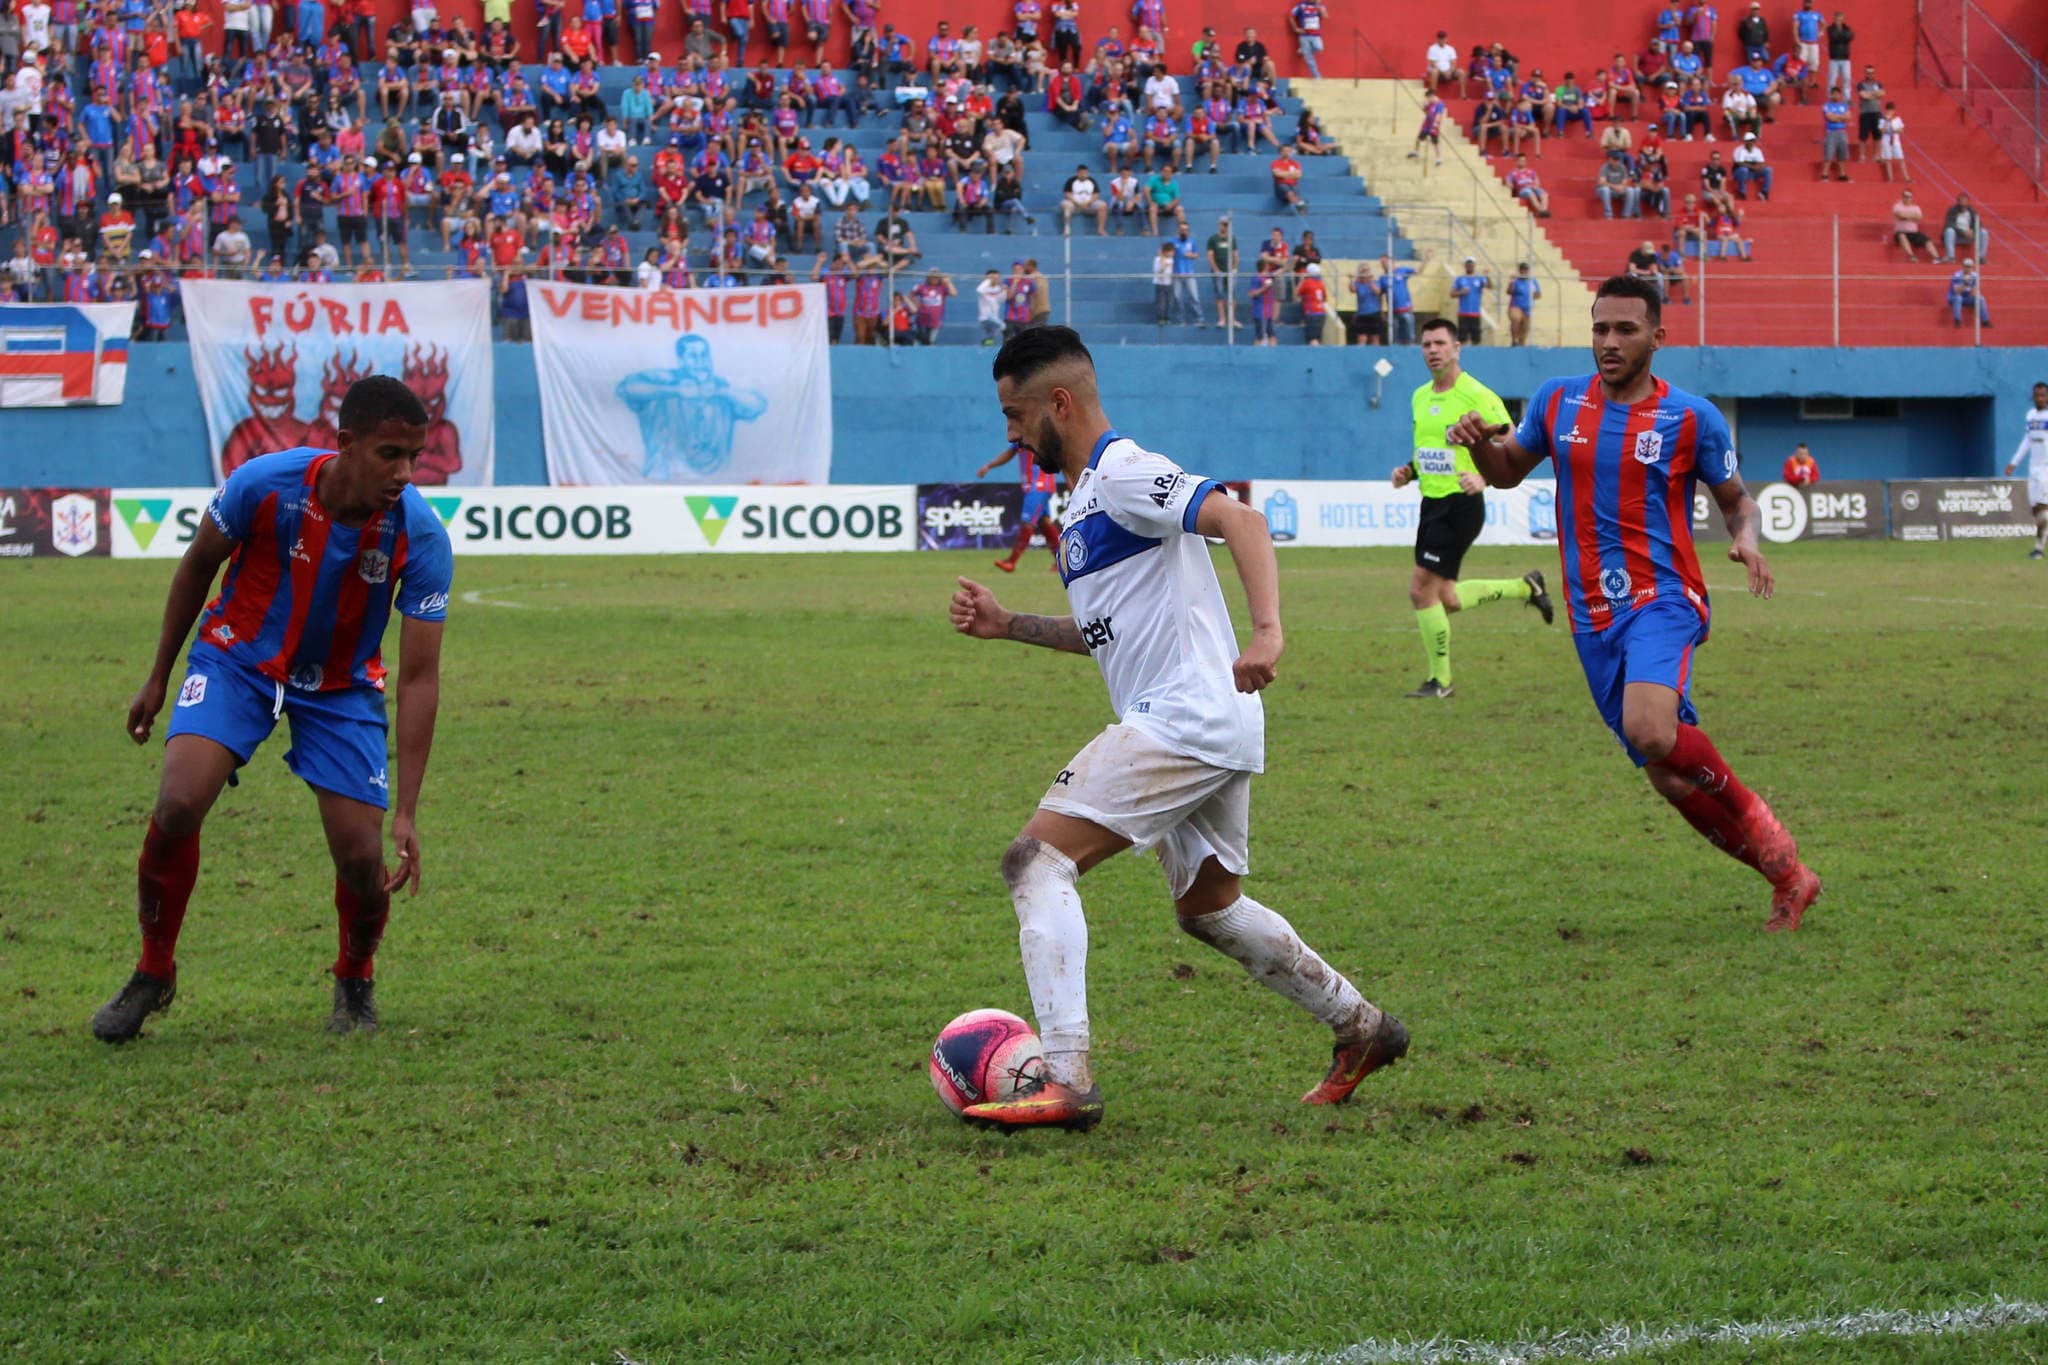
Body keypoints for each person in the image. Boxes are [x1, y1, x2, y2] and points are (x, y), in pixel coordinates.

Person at [945, 327, 1408, 1130]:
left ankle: (1067, 1074)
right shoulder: (1086, 499)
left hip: (1188, 712)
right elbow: (1104, 632)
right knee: (1210, 907)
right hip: (1202, 717)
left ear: (1060, 402)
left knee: (1035, 858)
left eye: (1017, 414)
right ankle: (1362, 1027)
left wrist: (1266, 632)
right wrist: (1007, 622)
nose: (1011, 433)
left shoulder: (1124, 469)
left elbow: (1242, 522)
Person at [1446, 275, 1822, 932]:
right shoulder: (1558, 401)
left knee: (1651, 730)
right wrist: (1479, 440)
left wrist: (1748, 541)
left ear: (1657, 335)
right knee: (1668, 775)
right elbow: (1506, 470)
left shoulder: (1691, 418)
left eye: (1625, 329)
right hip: (1591, 616)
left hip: (1664, 598)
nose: (1610, 342)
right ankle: (1788, 878)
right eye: (1600, 328)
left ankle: (1768, 829)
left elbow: (1737, 500)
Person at [91, 377, 454, 1043]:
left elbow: (421, 677)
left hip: (342, 688)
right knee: (176, 804)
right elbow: (197, 567)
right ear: (345, 445)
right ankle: (153, 970)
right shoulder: (261, 484)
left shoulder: (420, 535)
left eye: (415, 456)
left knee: (359, 857)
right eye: (389, 455)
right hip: (238, 661)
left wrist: (406, 809)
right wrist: (157, 677)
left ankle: (354, 976)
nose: (405, 472)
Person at [1393, 318, 1552, 700]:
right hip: (1432, 504)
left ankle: (1440, 682)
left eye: (1440, 343)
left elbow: (1514, 442)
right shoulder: (1420, 396)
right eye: (1427, 344)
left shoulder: (1476, 394)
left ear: (1457, 347)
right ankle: (1524, 587)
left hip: (1461, 505)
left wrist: (1486, 478)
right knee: (1445, 597)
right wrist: (1409, 471)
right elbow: (1435, 451)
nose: (1432, 350)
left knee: (1421, 591)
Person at [977, 436, 1062, 571]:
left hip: (1040, 485)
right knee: (1045, 522)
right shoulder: (1022, 434)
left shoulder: (1036, 430)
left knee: (1027, 522)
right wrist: (989, 466)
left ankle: (1012, 562)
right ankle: (1062, 562)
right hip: (1033, 486)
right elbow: (1010, 452)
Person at [2003, 381, 2048, 560]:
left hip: (2047, 470)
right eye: (2037, 395)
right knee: (2037, 513)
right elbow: (2027, 441)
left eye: (2043, 395)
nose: (2040, 398)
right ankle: (2038, 548)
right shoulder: (2030, 416)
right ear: (2033, 397)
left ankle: (2038, 549)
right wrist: (2014, 462)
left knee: (2045, 514)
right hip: (2033, 470)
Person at [1449, 259, 1487, 345]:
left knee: (1476, 339)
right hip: (1463, 313)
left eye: (1471, 264)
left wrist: (1487, 276)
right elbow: (1451, 294)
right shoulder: (1459, 279)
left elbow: (1489, 286)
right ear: (1465, 266)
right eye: (1468, 264)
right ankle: (1462, 356)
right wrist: (1461, 292)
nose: (1470, 266)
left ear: (1474, 266)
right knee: (1462, 338)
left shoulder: (1479, 278)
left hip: (1475, 313)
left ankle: (1475, 356)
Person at [1940, 193, 1986, 264]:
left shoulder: (1972, 211)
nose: (1963, 204)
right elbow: (1950, 224)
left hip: (1969, 234)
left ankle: (1981, 257)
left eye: (1965, 201)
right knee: (1949, 231)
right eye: (1962, 201)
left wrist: (1972, 231)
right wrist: (1962, 232)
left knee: (1983, 232)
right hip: (1957, 234)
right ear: (1958, 202)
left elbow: (1978, 223)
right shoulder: (1952, 211)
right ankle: (1951, 257)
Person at [1890, 188, 1931, 262]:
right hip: (1901, 231)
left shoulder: (1916, 207)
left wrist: (1906, 217)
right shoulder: (1897, 206)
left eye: (1909, 196)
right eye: (1905, 196)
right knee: (1902, 236)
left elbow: (1919, 217)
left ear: (1911, 198)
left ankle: (1936, 258)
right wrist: (1913, 217)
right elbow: (1900, 215)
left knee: (1927, 240)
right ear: (1902, 197)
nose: (1907, 198)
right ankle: (1911, 256)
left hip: (1914, 232)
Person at [1948, 260, 1990, 329]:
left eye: (1970, 267)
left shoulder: (1974, 276)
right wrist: (1965, 283)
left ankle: (1985, 321)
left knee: (1980, 298)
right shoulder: (1957, 275)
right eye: (1966, 266)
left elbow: (1976, 289)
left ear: (1972, 267)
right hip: (1953, 297)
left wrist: (1976, 293)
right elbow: (1956, 291)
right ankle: (1957, 321)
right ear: (1963, 267)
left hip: (1966, 297)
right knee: (1958, 298)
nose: (1968, 268)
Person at [1506, 262, 1540, 346]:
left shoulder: (1533, 281)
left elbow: (1538, 294)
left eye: (1526, 270)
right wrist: (1512, 282)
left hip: (1527, 307)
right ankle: (1514, 340)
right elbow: (1509, 291)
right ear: (1520, 271)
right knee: (1515, 319)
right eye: (1522, 270)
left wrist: (1534, 294)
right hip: (1516, 305)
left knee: (1525, 327)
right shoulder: (1516, 280)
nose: (1524, 271)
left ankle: (1521, 343)